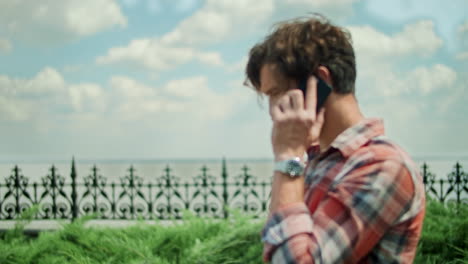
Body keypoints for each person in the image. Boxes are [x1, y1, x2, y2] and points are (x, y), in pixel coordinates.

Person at [244, 15, 425, 263]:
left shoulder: (383, 165)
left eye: (276, 93)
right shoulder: (315, 159)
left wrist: (288, 157)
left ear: (321, 81)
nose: (273, 110)